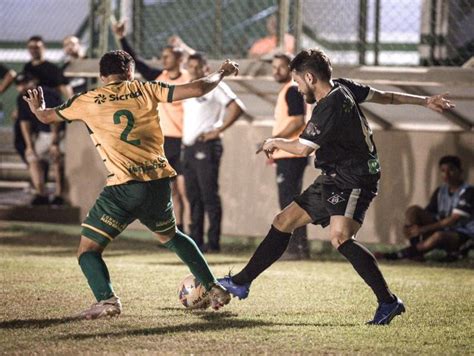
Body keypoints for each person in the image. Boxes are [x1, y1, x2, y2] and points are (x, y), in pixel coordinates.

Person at [218, 49, 455, 325]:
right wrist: (425, 101)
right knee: (284, 221)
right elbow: (386, 96)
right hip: (334, 176)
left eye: (297, 82)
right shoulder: (343, 86)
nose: (296, 87)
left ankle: (388, 302)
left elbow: (303, 148)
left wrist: (273, 141)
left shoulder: (328, 106)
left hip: (355, 177)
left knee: (340, 237)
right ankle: (241, 282)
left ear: (309, 77)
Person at [23, 49, 239, 319]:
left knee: (88, 251)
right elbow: (197, 88)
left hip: (123, 187)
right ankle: (212, 287)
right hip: (158, 183)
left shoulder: (87, 99)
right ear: (130, 72)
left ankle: (107, 300)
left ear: (102, 76)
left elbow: (46, 117)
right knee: (171, 236)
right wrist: (221, 72)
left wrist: (37, 107)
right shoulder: (145, 89)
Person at [113, 22, 191, 234]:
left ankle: (192, 231)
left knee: (185, 191)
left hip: (184, 140)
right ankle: (176, 231)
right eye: (163, 55)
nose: (164, 59)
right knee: (170, 190)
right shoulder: (160, 77)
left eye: (168, 55)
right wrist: (122, 38)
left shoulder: (188, 80)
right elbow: (136, 62)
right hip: (164, 141)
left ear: (180, 59)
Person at [182, 52, 245, 252]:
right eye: (190, 66)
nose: (193, 69)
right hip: (190, 148)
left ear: (205, 68)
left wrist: (217, 131)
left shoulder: (215, 86)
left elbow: (237, 107)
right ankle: (196, 241)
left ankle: (213, 242)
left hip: (206, 146)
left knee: (209, 194)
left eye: (197, 66)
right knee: (193, 196)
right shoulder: (190, 88)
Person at [379, 156, 473, 261]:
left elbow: (453, 220)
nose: (446, 174)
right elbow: (428, 212)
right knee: (413, 211)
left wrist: (423, 229)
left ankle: (394, 256)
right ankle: (417, 253)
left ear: (460, 171)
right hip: (442, 228)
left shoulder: (468, 191)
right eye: (443, 171)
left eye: (451, 170)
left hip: (462, 234)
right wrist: (409, 228)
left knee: (439, 235)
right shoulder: (441, 191)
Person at [270, 53, 309, 260]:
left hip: (291, 154)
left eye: (281, 67)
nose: (276, 70)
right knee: (292, 202)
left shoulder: (292, 90)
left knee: (289, 203)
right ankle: (299, 247)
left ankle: (294, 249)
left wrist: (274, 140)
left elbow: (297, 121)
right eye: (274, 67)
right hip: (288, 154)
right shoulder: (288, 90)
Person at [16, 72, 65, 205]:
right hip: (42, 135)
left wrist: (54, 142)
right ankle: (41, 193)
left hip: (59, 133)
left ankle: (59, 195)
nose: (23, 86)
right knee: (32, 157)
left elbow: (55, 118)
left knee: (57, 158)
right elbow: (24, 122)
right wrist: (29, 146)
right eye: (20, 84)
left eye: (26, 82)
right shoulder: (22, 98)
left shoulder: (45, 93)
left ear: (34, 81)